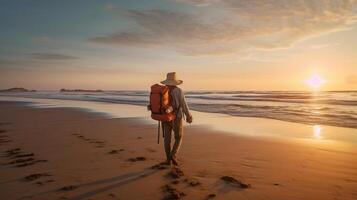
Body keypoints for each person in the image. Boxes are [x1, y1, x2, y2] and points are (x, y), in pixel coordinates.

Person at [160, 72, 192, 166]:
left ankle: (167, 159)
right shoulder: (178, 91)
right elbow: (183, 104)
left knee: (167, 139)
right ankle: (173, 155)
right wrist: (188, 116)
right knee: (178, 137)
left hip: (165, 117)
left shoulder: (162, 90)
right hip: (176, 117)